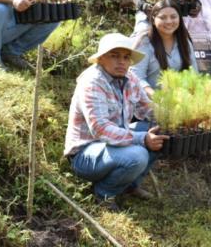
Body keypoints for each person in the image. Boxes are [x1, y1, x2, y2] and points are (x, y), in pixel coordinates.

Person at [64, 33, 169, 211]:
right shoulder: (92, 82)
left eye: (126, 57)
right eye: (115, 56)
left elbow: (148, 109)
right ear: (101, 59)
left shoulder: (130, 78)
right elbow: (101, 129)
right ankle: (104, 193)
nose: (121, 62)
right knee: (138, 155)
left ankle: (129, 185)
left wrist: (180, 119)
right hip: (86, 153)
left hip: (116, 145)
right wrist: (142, 138)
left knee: (161, 133)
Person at [130, 0, 198, 98]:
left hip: (180, 104)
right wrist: (157, 97)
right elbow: (136, 77)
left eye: (173, 17)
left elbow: (194, 75)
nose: (169, 21)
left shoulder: (184, 41)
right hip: (150, 104)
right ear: (153, 19)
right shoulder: (144, 42)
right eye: (163, 17)